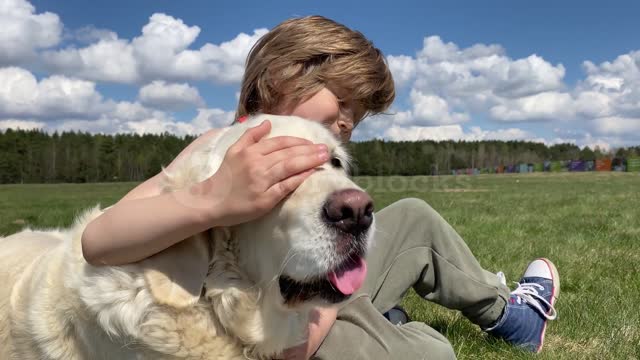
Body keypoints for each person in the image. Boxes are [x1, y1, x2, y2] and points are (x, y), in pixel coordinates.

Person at [81, 15, 559, 360]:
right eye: (344, 98)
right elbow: (98, 240)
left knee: (414, 215)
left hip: (328, 282)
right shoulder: (217, 151)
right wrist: (210, 200)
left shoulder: (326, 160)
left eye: (361, 111)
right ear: (281, 76)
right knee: (430, 351)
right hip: (288, 324)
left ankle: (511, 317)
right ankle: (387, 322)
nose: (350, 119)